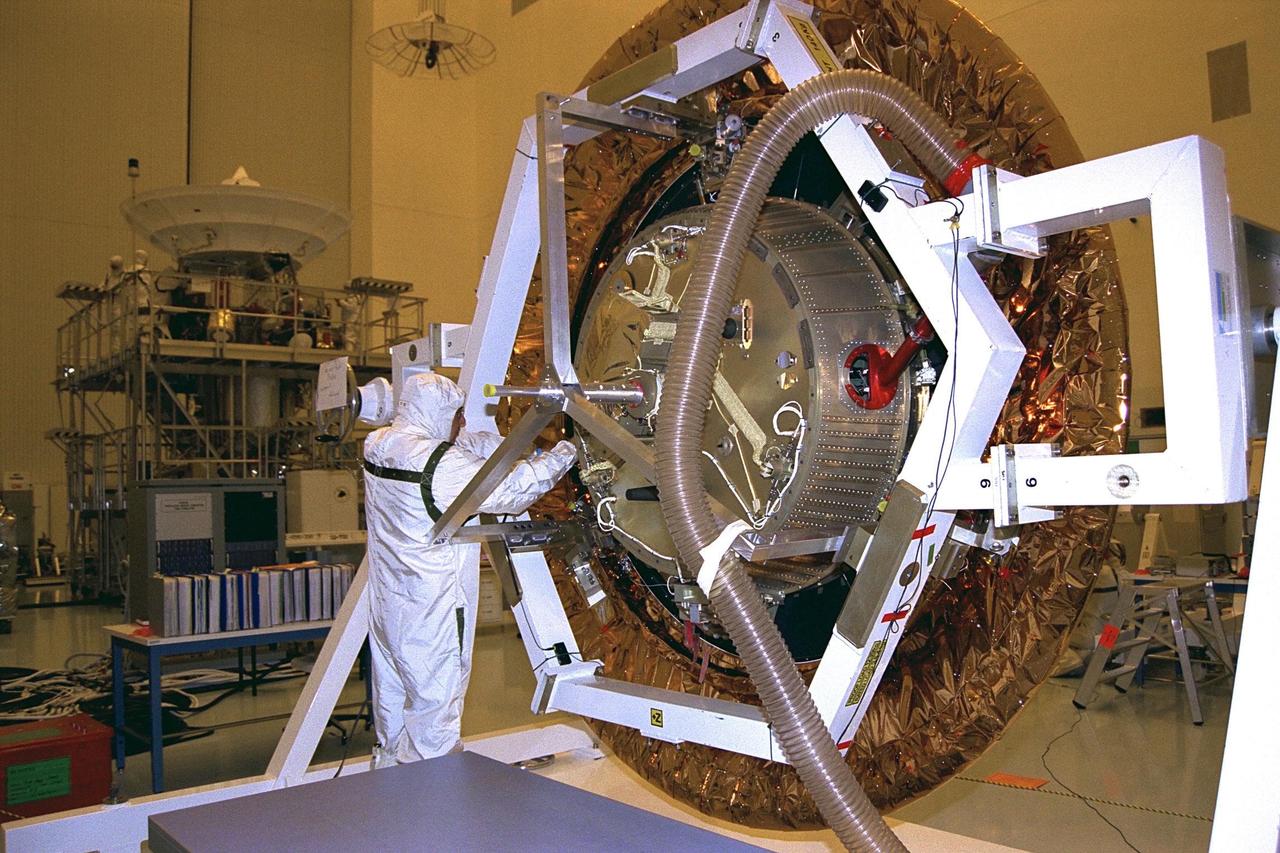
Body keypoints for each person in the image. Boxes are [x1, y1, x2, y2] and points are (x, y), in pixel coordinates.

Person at [362, 372, 576, 766]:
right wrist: (565, 453)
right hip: (432, 608)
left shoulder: (377, 444)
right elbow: (513, 494)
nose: (462, 422)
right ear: (438, 413)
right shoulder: (441, 467)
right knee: (435, 708)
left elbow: (455, 448)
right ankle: (435, 794)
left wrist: (500, 444)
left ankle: (388, 776)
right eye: (457, 414)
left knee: (391, 697)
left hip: (387, 602)